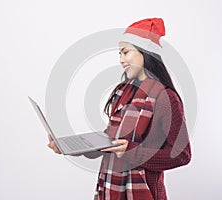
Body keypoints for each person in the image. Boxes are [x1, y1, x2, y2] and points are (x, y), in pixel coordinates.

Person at [47, 17, 192, 200]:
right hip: (109, 190)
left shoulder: (166, 98)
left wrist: (133, 152)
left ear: (145, 52)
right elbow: (111, 142)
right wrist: (69, 146)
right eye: (119, 54)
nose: (121, 60)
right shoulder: (123, 92)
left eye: (126, 52)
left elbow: (182, 155)